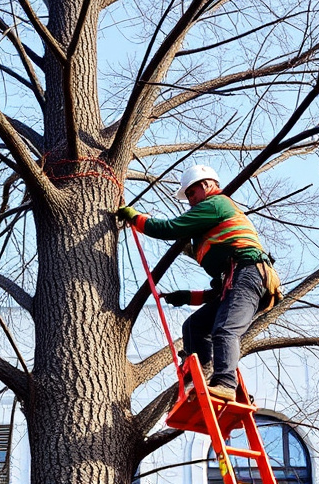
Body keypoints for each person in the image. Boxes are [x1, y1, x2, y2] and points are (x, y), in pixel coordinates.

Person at [117, 164, 282, 401]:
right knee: (194, 326)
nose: (191, 201)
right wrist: (187, 297)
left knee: (224, 330)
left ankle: (225, 384)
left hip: (249, 272)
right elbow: (218, 294)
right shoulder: (214, 232)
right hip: (239, 280)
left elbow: (170, 228)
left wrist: (135, 218)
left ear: (206, 185)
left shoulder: (215, 204)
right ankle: (203, 379)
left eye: (192, 193)